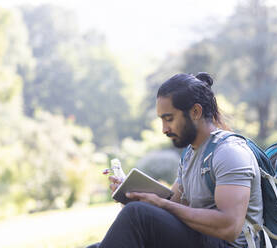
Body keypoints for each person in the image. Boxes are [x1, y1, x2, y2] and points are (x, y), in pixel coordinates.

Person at [91, 72, 263, 248]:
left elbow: (230, 227)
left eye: (169, 119)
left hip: (231, 245)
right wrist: (133, 194)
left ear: (195, 112)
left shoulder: (228, 152)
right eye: (162, 120)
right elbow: (170, 207)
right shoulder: (191, 154)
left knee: (137, 214)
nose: (164, 129)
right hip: (202, 239)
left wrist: (160, 205)